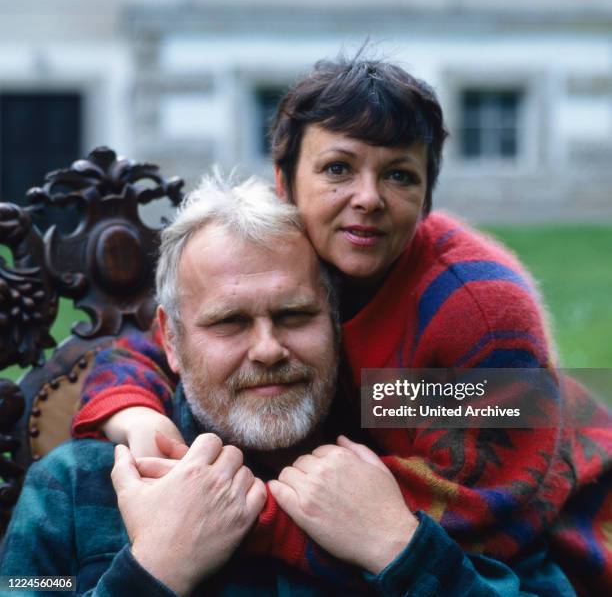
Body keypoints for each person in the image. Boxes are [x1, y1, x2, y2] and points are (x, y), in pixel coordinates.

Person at [71, 54, 611, 594]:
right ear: (284, 182)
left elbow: (484, 509)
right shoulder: (301, 254)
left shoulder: (477, 310)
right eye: (338, 168)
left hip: (575, 542)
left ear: (426, 199)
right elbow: (167, 342)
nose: (368, 198)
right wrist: (135, 414)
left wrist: (237, 516)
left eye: (400, 175)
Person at [0, 175, 574, 596]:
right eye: (229, 322)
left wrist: (403, 549)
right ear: (170, 341)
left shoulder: (420, 456)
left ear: (336, 322)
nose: (269, 348)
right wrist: (152, 570)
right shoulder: (76, 488)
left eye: (296, 315)